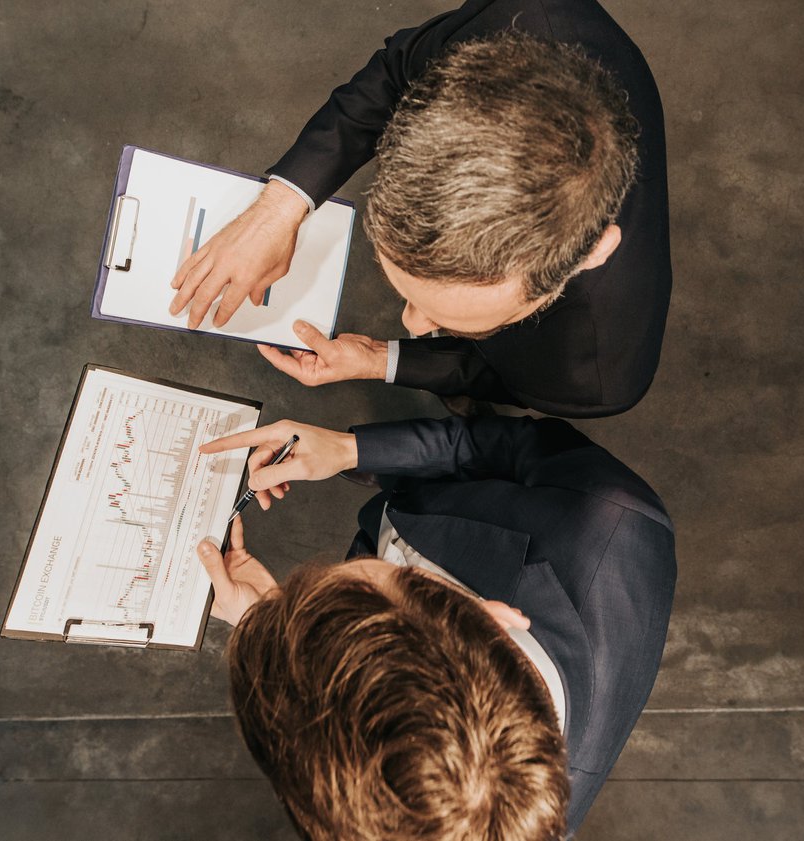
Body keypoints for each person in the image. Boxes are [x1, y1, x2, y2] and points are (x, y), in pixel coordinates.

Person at [169, 0, 671, 418]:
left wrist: (384, 361)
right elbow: (395, 72)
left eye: (471, 325)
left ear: (591, 253)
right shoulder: (518, 15)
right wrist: (279, 207)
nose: (410, 325)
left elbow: (505, 379)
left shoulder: (598, 372)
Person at [195, 413, 677, 837]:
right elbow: (513, 446)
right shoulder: (607, 514)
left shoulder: (615, 522)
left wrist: (264, 620)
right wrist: (352, 450)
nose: (367, 556)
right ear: (495, 620)